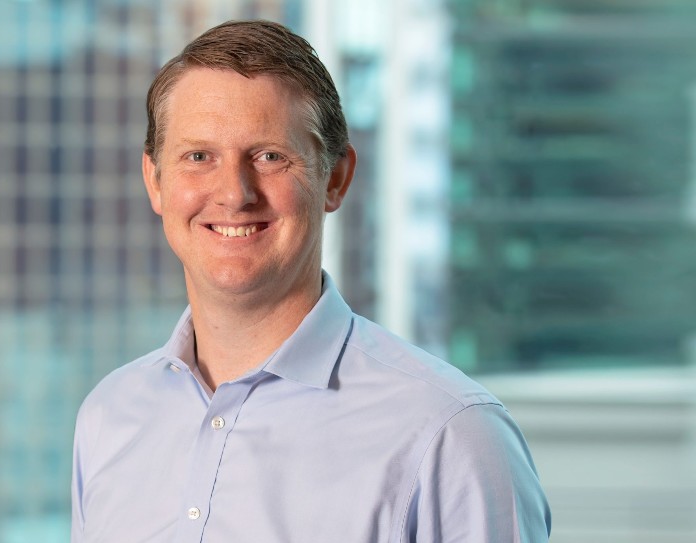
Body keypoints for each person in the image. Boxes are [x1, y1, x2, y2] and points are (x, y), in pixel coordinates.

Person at [70, 19, 551, 543]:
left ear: (335, 178)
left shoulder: (450, 433)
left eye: (270, 157)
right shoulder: (109, 416)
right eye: (198, 157)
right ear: (155, 180)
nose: (234, 193)